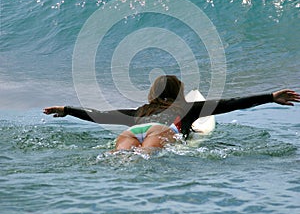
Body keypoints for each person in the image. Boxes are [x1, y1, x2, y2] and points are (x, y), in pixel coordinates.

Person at [43, 75, 300, 151]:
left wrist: (67, 110)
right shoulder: (187, 108)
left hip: (132, 130)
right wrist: (269, 97)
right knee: (145, 159)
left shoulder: (138, 111)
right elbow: (231, 102)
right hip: (163, 131)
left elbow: (100, 114)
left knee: (117, 158)